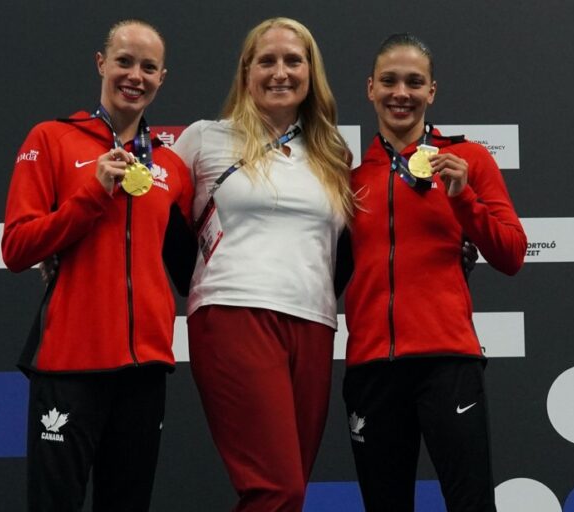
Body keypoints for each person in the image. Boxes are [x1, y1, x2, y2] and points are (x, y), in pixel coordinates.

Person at [1, 20, 193, 512]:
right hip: (69, 362)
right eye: (124, 61)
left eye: (148, 67)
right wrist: (92, 196)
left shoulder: (169, 166)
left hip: (144, 368)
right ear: (101, 63)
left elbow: (192, 264)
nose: (135, 75)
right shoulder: (52, 138)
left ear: (162, 78)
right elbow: (18, 248)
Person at [171, 17, 352, 512]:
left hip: (314, 322)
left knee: (288, 492)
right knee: (276, 489)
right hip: (234, 312)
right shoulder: (204, 139)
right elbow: (145, 215)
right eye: (266, 60)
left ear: (311, 72)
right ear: (245, 71)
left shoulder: (333, 152)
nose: (280, 72)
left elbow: (356, 245)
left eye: (294, 60)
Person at [342, 33, 527, 512]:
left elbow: (512, 254)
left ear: (432, 92)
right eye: (389, 80)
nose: (400, 92)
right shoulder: (351, 178)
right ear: (370, 88)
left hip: (448, 361)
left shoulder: (469, 159)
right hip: (371, 367)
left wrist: (463, 196)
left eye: (413, 82)